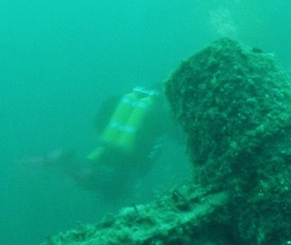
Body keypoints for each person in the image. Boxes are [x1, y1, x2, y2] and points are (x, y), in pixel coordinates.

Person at [31, 86, 182, 202]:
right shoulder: (128, 159)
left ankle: (56, 161)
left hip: (121, 143)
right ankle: (61, 162)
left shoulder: (114, 155)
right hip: (128, 140)